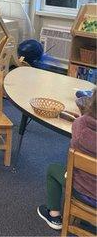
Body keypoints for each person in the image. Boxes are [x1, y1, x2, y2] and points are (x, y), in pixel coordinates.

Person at [37, 91, 96, 230]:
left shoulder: (80, 125)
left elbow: (76, 139)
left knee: (53, 169)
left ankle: (54, 215)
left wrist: (83, 118)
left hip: (81, 189)